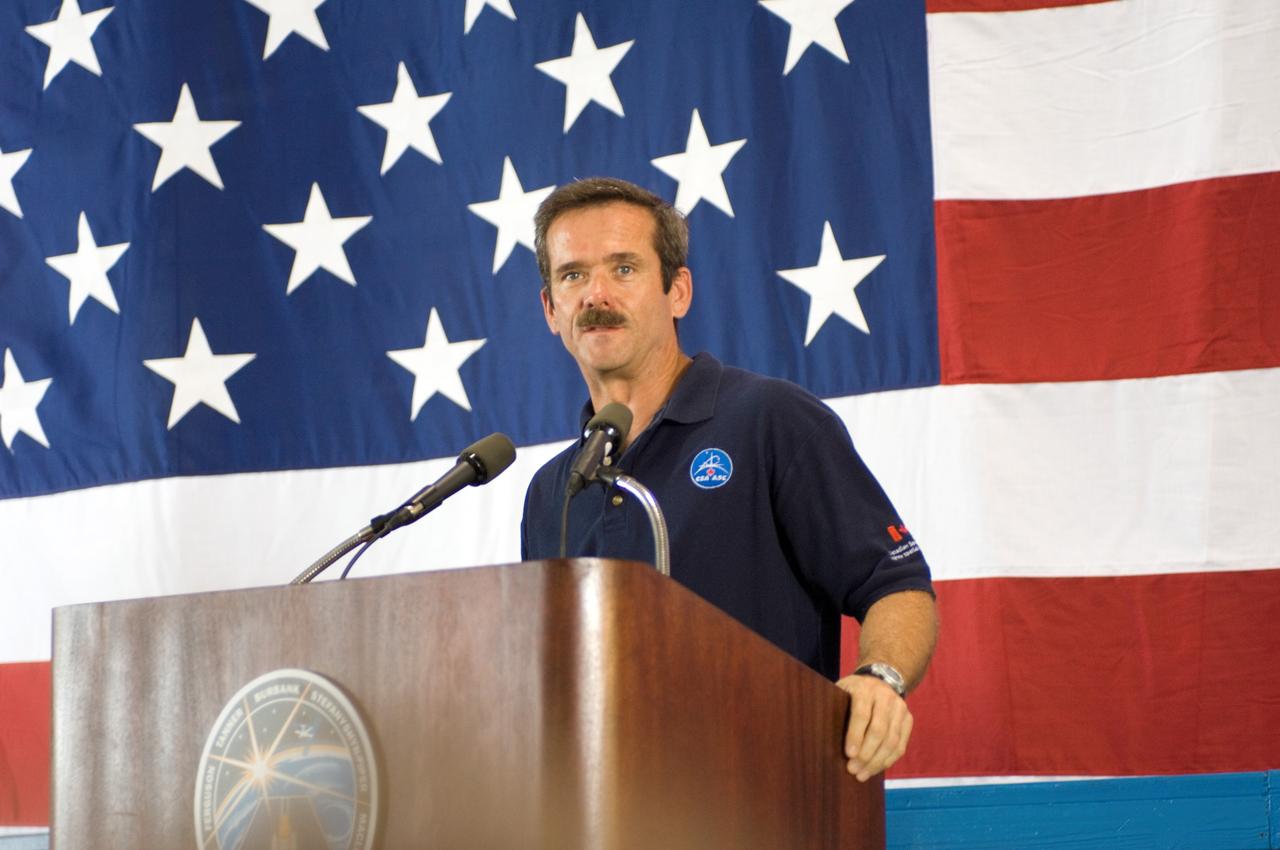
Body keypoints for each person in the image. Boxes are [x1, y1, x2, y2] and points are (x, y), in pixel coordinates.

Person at [520, 177, 938, 782]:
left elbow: (897, 584)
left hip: (766, 798)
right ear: (550, 309)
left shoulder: (771, 420)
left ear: (678, 291)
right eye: (573, 275)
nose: (596, 294)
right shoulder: (549, 492)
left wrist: (881, 678)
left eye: (625, 268)